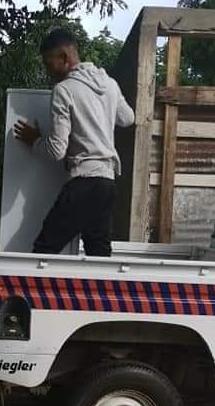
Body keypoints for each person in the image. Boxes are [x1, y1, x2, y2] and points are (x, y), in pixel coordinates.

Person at [14, 28, 135, 257]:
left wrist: (35, 140)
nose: (48, 72)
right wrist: (105, 108)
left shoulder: (64, 90)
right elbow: (128, 118)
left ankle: (35, 293)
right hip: (107, 184)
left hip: (84, 183)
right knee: (98, 255)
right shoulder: (109, 84)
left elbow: (56, 150)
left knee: (44, 251)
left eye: (49, 65)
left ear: (64, 58)